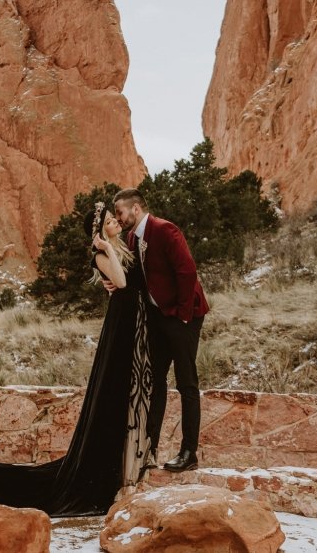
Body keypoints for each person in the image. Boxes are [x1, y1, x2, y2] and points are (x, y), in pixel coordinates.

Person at [0, 202, 153, 516]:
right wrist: (104, 249)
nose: (116, 223)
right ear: (99, 232)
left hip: (131, 322)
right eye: (110, 221)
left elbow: (130, 281)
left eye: (115, 219)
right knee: (114, 389)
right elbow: (122, 284)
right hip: (121, 328)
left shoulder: (123, 248)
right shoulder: (101, 254)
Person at [112, 188, 209, 472]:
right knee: (154, 381)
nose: (118, 218)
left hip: (184, 316)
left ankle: (189, 452)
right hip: (158, 318)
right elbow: (138, 278)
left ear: (136, 209)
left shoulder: (165, 230)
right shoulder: (131, 238)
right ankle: (149, 449)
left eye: (120, 212)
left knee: (186, 382)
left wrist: (182, 315)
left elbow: (187, 271)